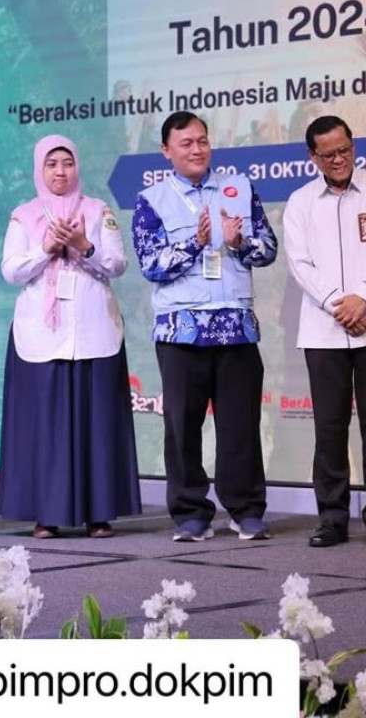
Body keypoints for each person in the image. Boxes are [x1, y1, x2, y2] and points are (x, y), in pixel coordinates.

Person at [132, 111, 277, 542]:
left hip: (235, 327)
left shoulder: (239, 189)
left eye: (202, 141)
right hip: (181, 331)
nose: (196, 150)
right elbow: (151, 265)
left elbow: (267, 249)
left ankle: (246, 508)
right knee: (182, 426)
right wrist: (195, 242)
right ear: (166, 151)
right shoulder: (152, 199)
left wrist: (237, 242)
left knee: (241, 425)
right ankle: (191, 513)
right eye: (185, 144)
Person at [0, 135, 140, 539]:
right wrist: (45, 249)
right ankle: (46, 514)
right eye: (52, 164)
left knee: (97, 423)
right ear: (39, 169)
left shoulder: (98, 210)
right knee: (44, 426)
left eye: (67, 163)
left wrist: (84, 245)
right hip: (43, 335)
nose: (61, 171)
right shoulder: (23, 215)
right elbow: (10, 271)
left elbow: (116, 263)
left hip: (94, 330)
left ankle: (100, 513)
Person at [283, 115, 366, 549]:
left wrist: (365, 298)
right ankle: (332, 517)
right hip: (324, 329)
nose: (339, 160)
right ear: (312, 157)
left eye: (345, 150)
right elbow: (300, 263)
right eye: (329, 154)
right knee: (329, 426)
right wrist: (339, 303)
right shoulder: (300, 202)